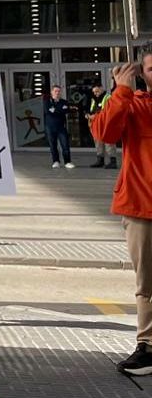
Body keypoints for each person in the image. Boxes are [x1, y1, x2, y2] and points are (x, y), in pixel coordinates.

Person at [89, 50, 152, 377]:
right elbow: (104, 133)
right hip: (141, 205)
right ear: (141, 72)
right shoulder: (131, 103)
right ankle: (148, 345)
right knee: (147, 282)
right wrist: (121, 90)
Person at [87, 84, 118, 169]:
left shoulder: (108, 98)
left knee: (109, 142)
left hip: (106, 123)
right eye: (94, 92)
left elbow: (108, 112)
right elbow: (92, 110)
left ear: (101, 89)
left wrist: (94, 116)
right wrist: (89, 115)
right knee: (98, 142)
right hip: (96, 124)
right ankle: (100, 160)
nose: (95, 93)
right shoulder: (94, 99)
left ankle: (113, 161)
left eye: (97, 91)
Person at [44, 85, 74, 169]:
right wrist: (60, 110)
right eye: (55, 91)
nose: (57, 93)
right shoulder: (47, 102)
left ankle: (67, 162)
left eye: (59, 91)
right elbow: (48, 111)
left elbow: (66, 110)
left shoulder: (64, 102)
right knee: (53, 145)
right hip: (50, 127)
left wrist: (55, 110)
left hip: (61, 127)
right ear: (52, 92)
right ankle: (56, 161)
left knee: (65, 145)